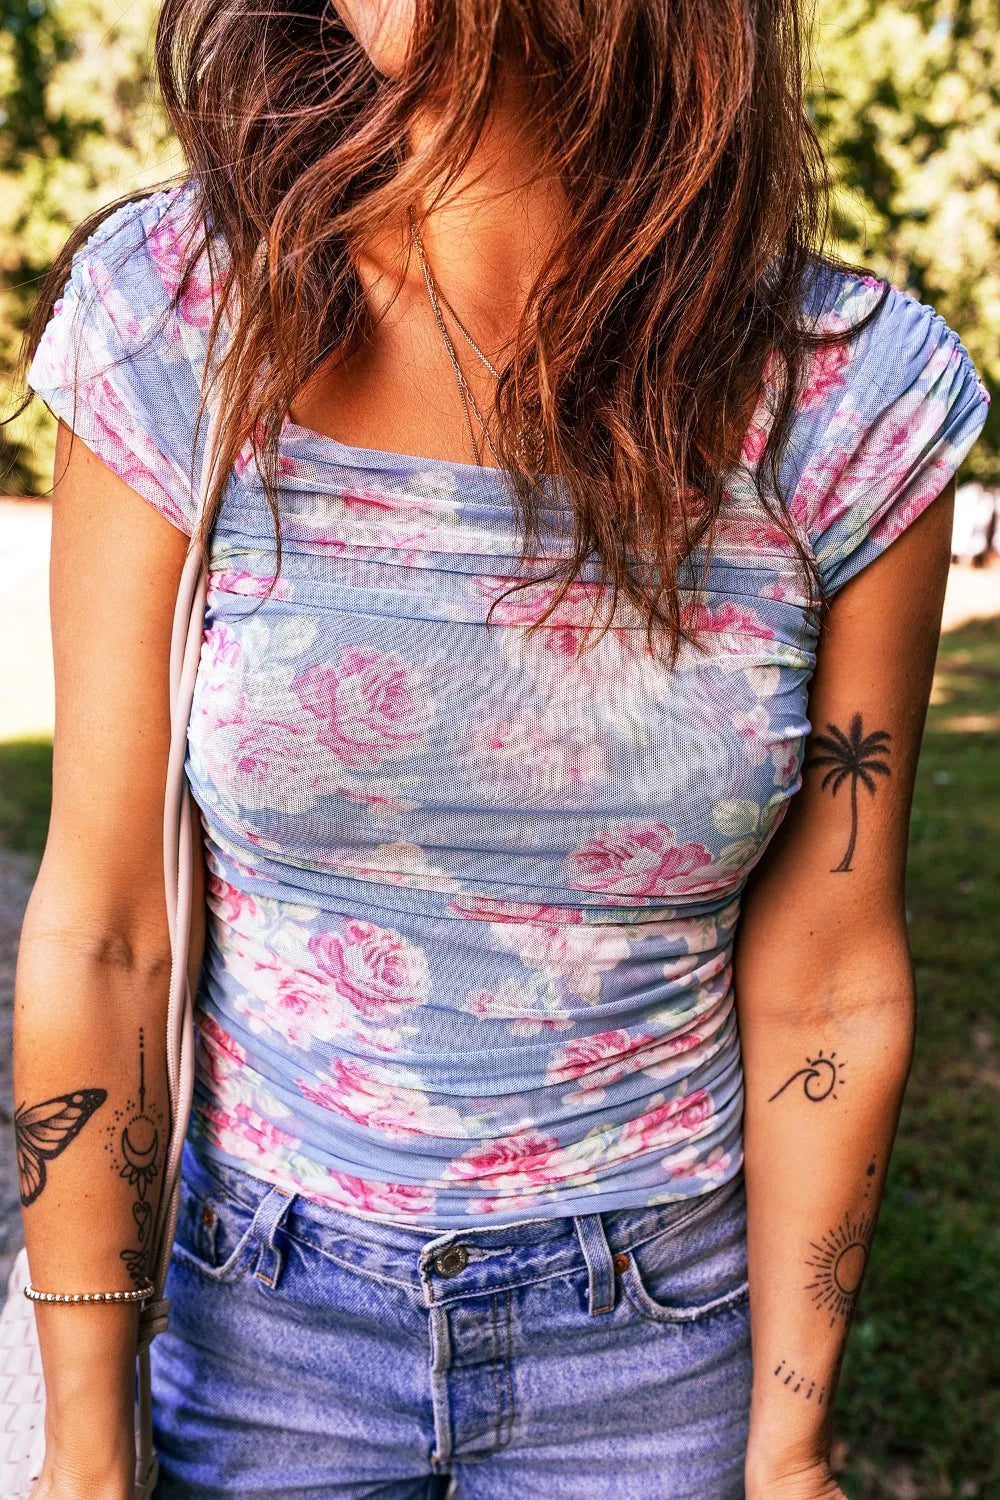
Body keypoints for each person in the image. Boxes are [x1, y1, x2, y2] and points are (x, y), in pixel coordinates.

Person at [10, 1, 991, 1497]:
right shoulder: (179, 319)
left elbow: (832, 978)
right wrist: (86, 1451)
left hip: (654, 1350)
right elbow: (106, 927)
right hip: (258, 1318)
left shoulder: (849, 401)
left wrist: (789, 1445)